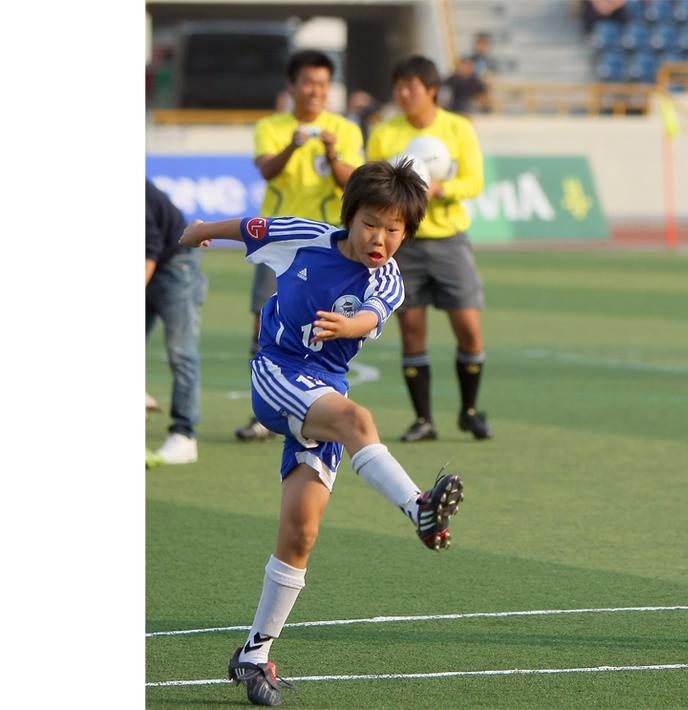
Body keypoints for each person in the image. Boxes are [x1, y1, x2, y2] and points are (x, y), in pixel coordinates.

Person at [179, 160, 464, 707]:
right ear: (349, 217)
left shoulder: (390, 280)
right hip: (278, 374)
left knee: (300, 534)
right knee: (360, 421)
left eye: (395, 229)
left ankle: (254, 655)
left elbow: (369, 319)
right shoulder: (308, 238)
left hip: (322, 394)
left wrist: (346, 324)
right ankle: (419, 510)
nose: (381, 239)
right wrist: (200, 231)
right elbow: (252, 226)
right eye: (371, 224)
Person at [237, 49, 365, 442]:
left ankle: (324, 405)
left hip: (325, 241)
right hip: (276, 240)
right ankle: (263, 412)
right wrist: (292, 147)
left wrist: (332, 153)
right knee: (264, 320)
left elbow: (354, 181)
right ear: (292, 85)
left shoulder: (345, 129)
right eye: (308, 83)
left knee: (324, 324)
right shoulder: (272, 126)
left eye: (323, 84)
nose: (316, 91)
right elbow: (266, 169)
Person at [367, 55, 492, 443]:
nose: (404, 94)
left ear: (431, 90)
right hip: (406, 244)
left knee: (469, 329)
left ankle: (469, 412)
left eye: (412, 87)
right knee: (412, 330)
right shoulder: (385, 134)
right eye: (399, 87)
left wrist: (440, 189)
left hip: (451, 239)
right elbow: (375, 184)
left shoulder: (459, 128)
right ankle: (423, 420)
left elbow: (474, 182)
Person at [146, 180, 206, 464]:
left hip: (174, 264)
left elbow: (150, 246)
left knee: (181, 351)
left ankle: (185, 435)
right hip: (151, 261)